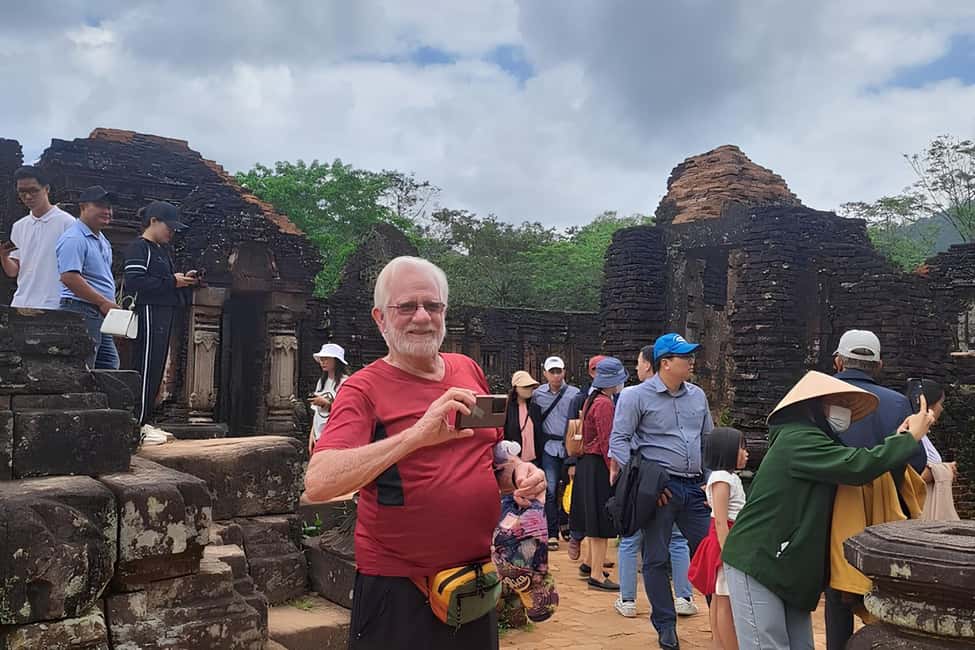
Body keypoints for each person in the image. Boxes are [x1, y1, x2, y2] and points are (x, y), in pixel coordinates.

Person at [304, 255, 546, 650]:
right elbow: (319, 482)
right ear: (381, 318)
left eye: (432, 306)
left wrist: (517, 472)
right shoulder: (363, 389)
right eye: (407, 307)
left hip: (475, 582)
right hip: (400, 589)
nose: (422, 317)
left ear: (445, 312)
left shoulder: (467, 368)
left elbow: (484, 459)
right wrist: (416, 435)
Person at [721, 371, 936, 650]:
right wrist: (909, 440)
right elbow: (857, 466)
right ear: (813, 405)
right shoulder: (796, 440)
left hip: (790, 566)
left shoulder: (820, 443)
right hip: (759, 558)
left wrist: (902, 437)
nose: (844, 409)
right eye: (837, 401)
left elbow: (860, 466)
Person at [609, 333, 713, 650]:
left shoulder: (698, 396)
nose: (691, 360)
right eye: (685, 357)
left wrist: (710, 478)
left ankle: (725, 618)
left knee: (711, 555)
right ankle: (665, 626)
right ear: (665, 363)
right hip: (660, 490)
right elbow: (619, 442)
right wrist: (643, 486)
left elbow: (707, 439)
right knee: (655, 559)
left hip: (695, 488)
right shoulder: (635, 397)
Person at [826, 329, 927, 649]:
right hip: (886, 519)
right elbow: (918, 459)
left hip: (832, 515)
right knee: (885, 597)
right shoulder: (898, 403)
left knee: (837, 596)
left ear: (838, 362)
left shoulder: (825, 397)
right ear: (879, 365)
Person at [123, 201, 197, 427]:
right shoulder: (140, 247)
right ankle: (136, 423)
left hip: (163, 313)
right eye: (169, 227)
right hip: (149, 311)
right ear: (154, 221)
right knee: (145, 369)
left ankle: (144, 421)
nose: (172, 232)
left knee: (155, 370)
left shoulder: (161, 251)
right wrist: (172, 281)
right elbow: (134, 281)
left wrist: (182, 280)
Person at [569, 356, 627, 592]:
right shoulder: (604, 404)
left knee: (592, 514)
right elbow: (607, 441)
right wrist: (614, 467)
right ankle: (596, 574)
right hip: (598, 465)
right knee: (601, 518)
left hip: (587, 464)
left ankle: (590, 563)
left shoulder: (592, 399)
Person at [688, 427, 748, 650]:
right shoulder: (723, 478)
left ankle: (718, 644)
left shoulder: (726, 477)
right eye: (741, 448)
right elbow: (721, 521)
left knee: (718, 598)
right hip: (725, 544)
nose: (746, 453)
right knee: (725, 602)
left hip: (724, 542)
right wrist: (729, 553)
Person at [56, 186, 121, 369]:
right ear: (83, 207)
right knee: (83, 365)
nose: (107, 211)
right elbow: (69, 277)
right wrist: (102, 302)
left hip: (98, 311)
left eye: (109, 207)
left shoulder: (101, 239)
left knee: (108, 365)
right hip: (81, 308)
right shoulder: (75, 238)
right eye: (100, 205)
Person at [2, 166, 75, 309]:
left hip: (53, 303)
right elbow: (13, 270)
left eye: (33, 190)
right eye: (22, 192)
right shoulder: (19, 226)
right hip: (21, 302)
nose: (28, 197)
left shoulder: (67, 223)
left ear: (46, 189)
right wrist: (3, 257)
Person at [532, 355, 580, 550]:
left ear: (564, 372)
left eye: (558, 371)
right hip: (549, 447)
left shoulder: (575, 394)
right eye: (551, 371)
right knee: (550, 489)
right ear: (545, 374)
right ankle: (552, 532)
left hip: (570, 446)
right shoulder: (538, 395)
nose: (555, 375)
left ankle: (567, 525)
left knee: (571, 488)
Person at [566, 354, 605, 560]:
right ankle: (576, 535)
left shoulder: (615, 396)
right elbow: (573, 431)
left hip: (604, 458)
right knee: (581, 500)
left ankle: (596, 556)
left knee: (599, 506)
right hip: (584, 455)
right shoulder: (580, 398)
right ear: (592, 372)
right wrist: (571, 461)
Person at [916, 381, 961, 521]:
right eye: (941, 403)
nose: (941, 409)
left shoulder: (922, 436)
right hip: (921, 509)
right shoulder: (913, 435)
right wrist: (946, 469)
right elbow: (916, 476)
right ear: (930, 405)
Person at [307, 343, 351, 455]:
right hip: (319, 434)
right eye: (321, 359)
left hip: (335, 436)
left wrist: (326, 404)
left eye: (326, 359)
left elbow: (346, 412)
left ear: (336, 360)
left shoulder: (345, 382)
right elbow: (317, 412)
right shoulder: (321, 382)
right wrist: (312, 434)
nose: (322, 362)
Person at [503, 370, 540, 463]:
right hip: (512, 459)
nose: (529, 389)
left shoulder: (535, 408)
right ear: (515, 388)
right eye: (525, 386)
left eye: (531, 386)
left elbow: (539, 435)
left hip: (534, 459)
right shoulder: (506, 408)